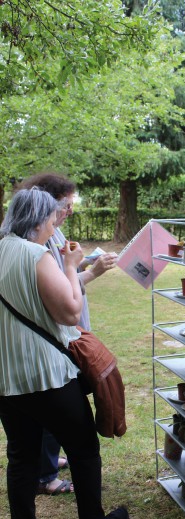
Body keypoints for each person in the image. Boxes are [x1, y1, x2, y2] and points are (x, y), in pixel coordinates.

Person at [0, 188, 128, 519]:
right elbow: (70, 313)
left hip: (8, 378)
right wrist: (70, 266)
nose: (56, 223)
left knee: (21, 458)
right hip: (47, 377)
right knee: (84, 451)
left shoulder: (2, 247)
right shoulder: (36, 255)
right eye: (54, 217)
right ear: (39, 218)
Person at [14, 173, 118, 496]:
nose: (70, 210)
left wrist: (79, 261)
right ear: (45, 204)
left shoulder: (48, 233)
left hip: (61, 336)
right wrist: (89, 270)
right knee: (57, 409)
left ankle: (48, 460)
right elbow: (64, 298)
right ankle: (46, 473)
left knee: (43, 419)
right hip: (55, 341)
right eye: (65, 204)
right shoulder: (37, 243)